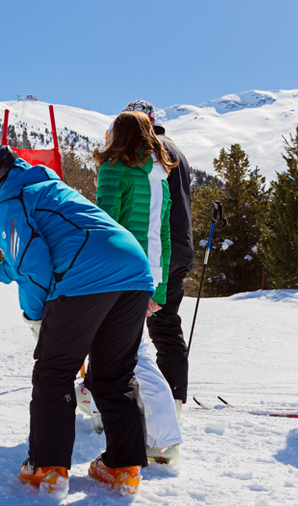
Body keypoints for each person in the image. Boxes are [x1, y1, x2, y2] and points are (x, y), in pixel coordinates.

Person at [0, 143, 155, 498]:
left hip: (85, 278)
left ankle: (47, 468)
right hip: (133, 273)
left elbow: (35, 269)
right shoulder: (45, 186)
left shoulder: (9, 202)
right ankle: (122, 468)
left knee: (54, 371)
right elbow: (51, 243)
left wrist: (37, 319)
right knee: (115, 374)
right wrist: (0, 273)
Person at [92, 109, 183, 464]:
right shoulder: (159, 176)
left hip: (119, 272)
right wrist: (159, 288)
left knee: (133, 355)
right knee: (131, 350)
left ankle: (162, 438)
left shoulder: (114, 169)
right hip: (150, 273)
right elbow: (164, 233)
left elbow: (105, 224)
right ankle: (158, 435)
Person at [122, 100, 194, 417]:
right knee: (167, 327)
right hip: (180, 249)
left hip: (152, 249)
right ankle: (174, 403)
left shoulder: (147, 152)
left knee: (119, 325)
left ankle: (106, 396)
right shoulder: (177, 153)